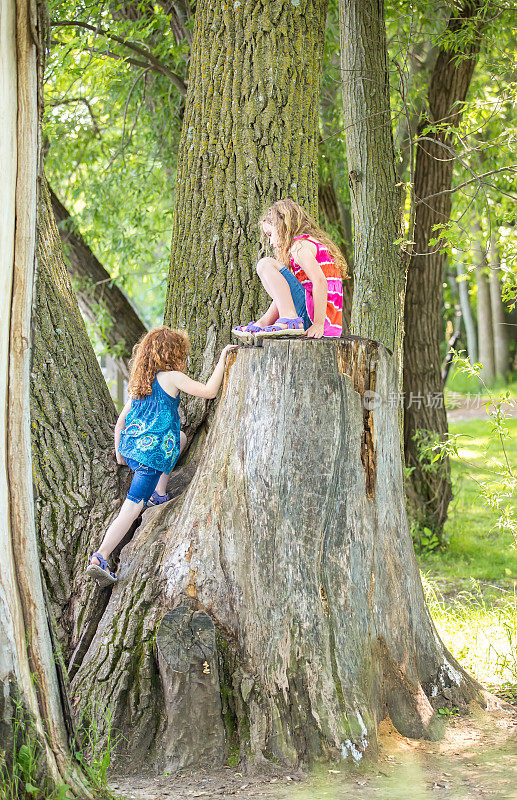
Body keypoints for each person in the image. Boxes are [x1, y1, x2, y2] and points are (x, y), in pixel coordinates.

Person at [86, 327, 235, 587]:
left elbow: (120, 423)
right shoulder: (173, 377)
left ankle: (160, 492)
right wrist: (223, 359)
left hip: (132, 447)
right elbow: (210, 391)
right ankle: (101, 556)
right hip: (152, 457)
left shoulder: (141, 383)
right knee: (132, 507)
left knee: (180, 439)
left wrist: (120, 453)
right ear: (173, 353)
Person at [233, 198, 348, 341]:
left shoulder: (299, 247)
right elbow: (285, 295)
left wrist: (318, 324)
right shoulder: (309, 245)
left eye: (270, 234)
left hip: (316, 320)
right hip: (325, 322)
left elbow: (320, 282)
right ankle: (266, 322)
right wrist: (263, 323)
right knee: (281, 289)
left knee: (265, 264)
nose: (270, 242)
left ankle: (290, 320)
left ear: (282, 226)